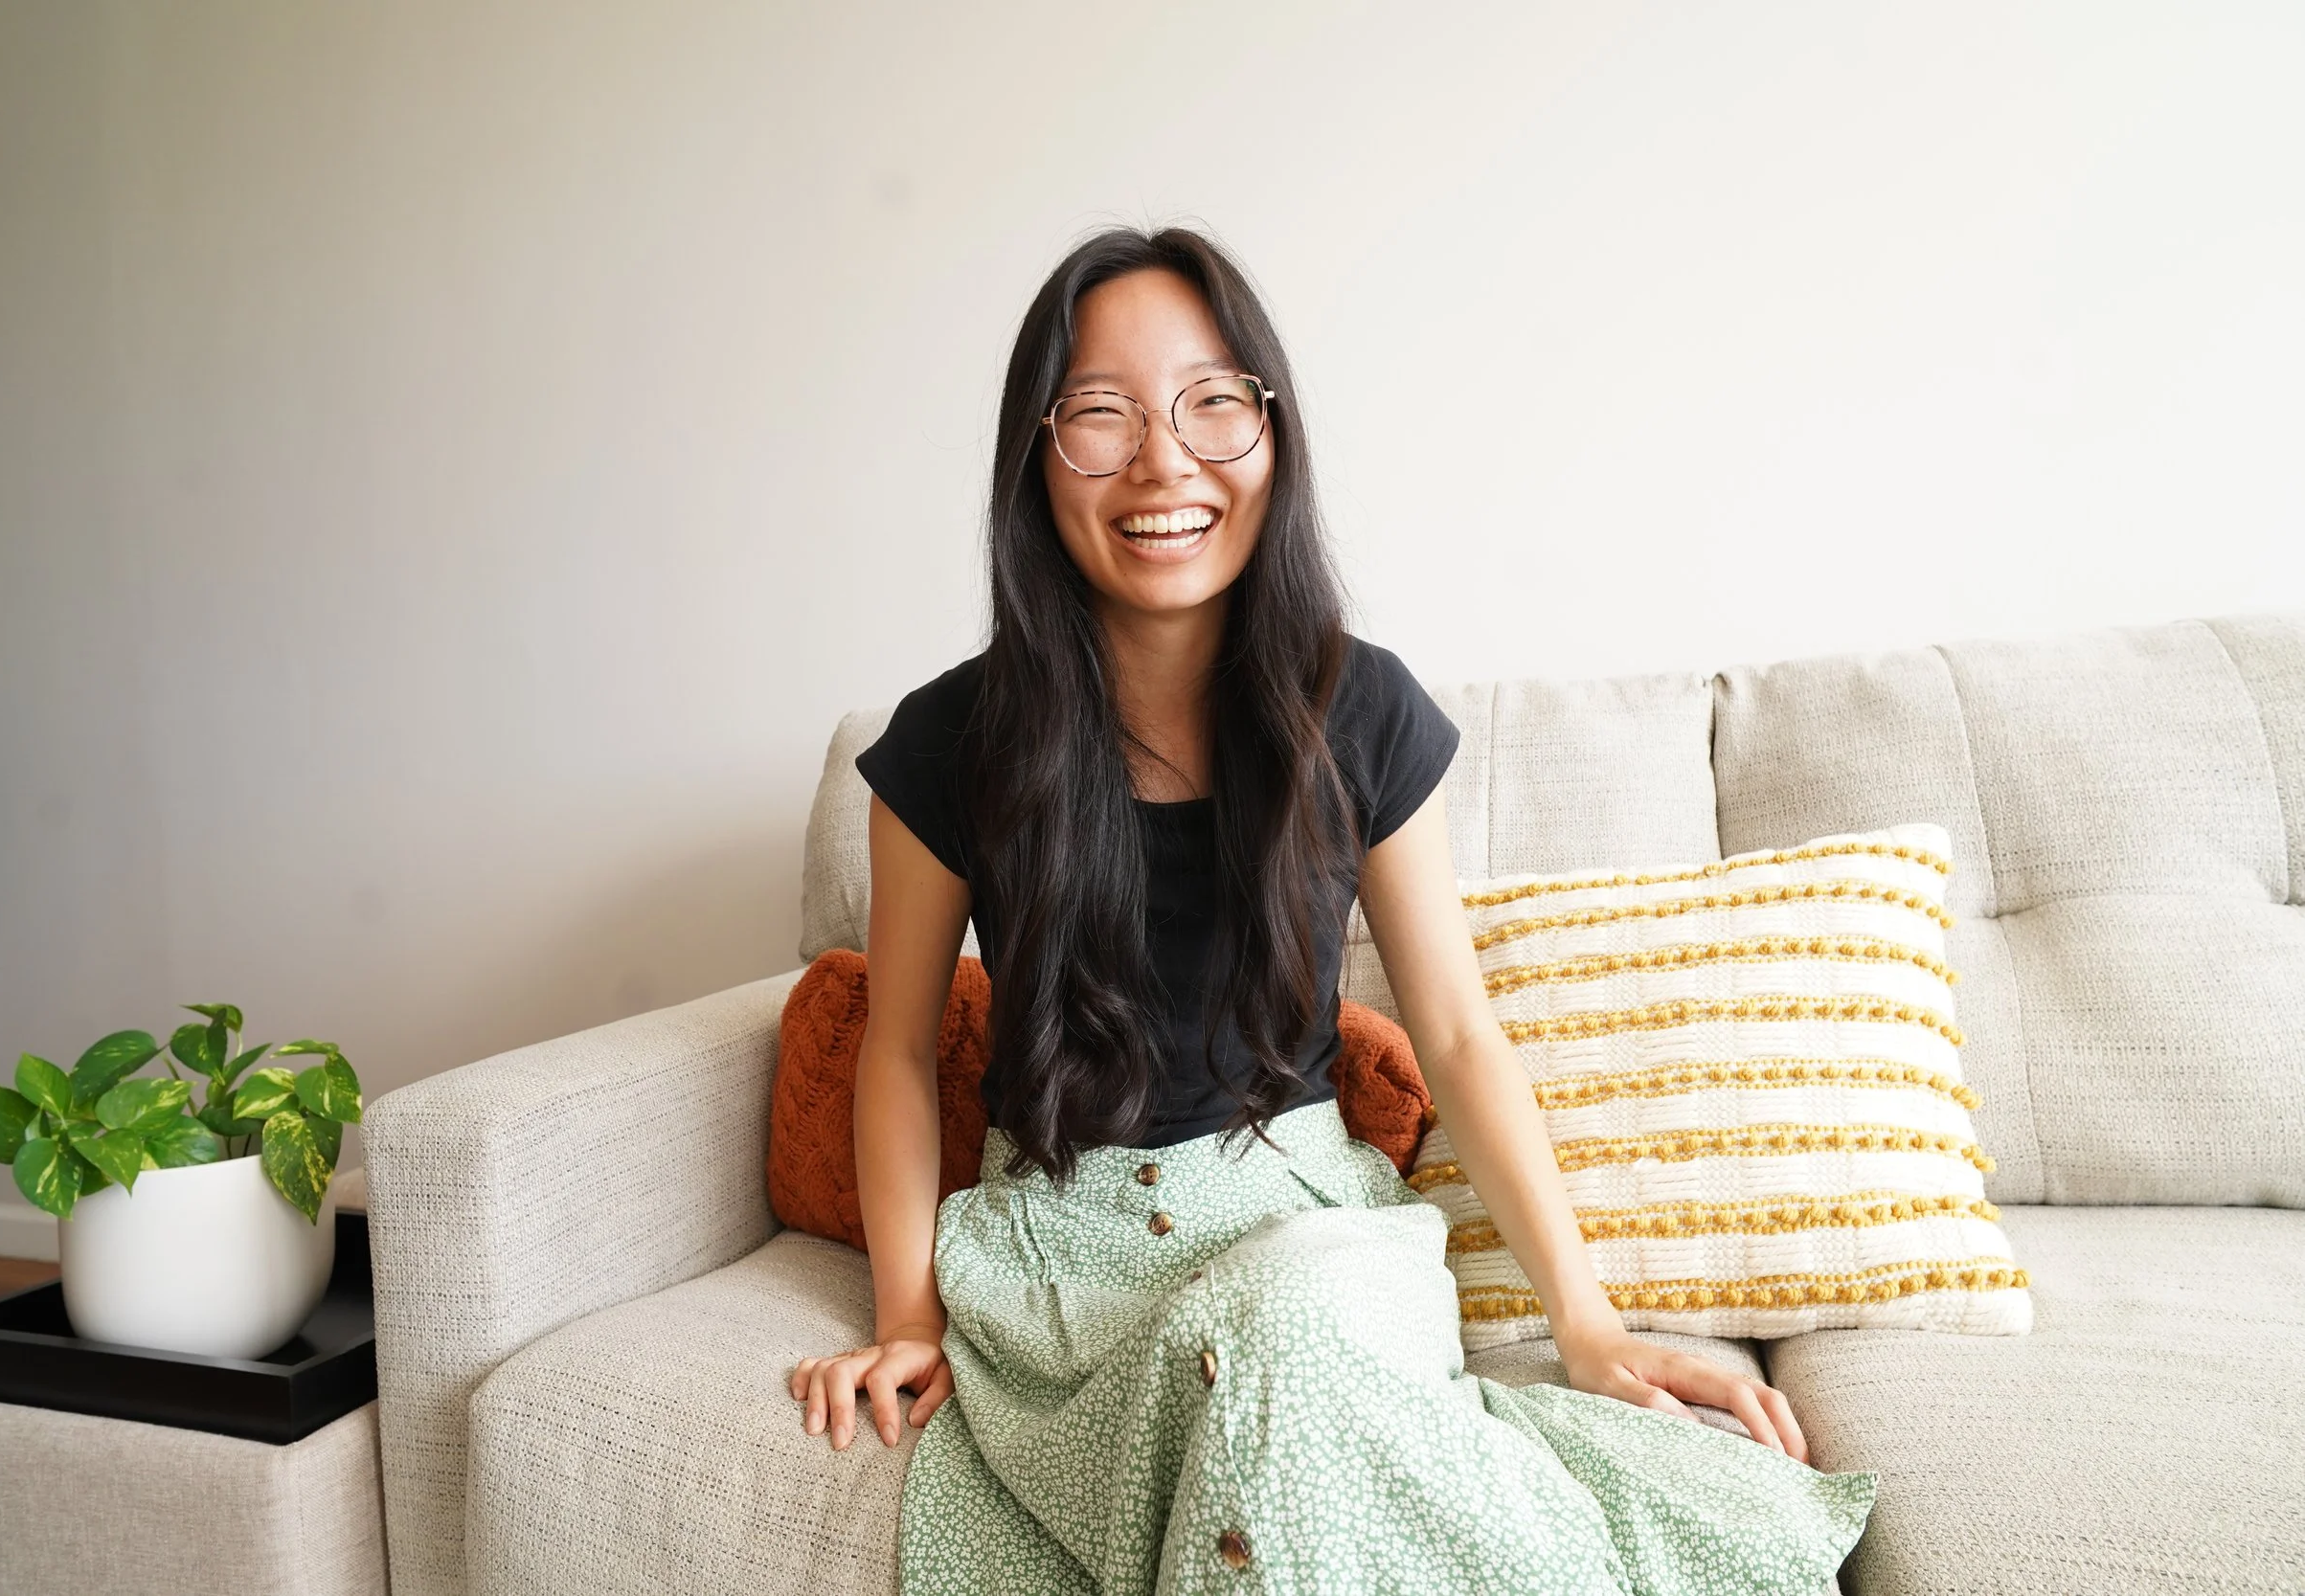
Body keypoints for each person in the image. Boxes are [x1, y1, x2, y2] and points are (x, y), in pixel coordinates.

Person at [791, 225, 1877, 1594]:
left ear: (1269, 429)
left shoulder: (1356, 707)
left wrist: (1584, 1323)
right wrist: (906, 1313)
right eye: (1102, 414)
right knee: (1259, 1395)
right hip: (1058, 1257)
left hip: (1308, 1228)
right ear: (1035, 455)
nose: (1164, 462)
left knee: (1281, 1337)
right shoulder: (949, 740)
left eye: (1210, 404)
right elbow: (894, 1050)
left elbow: (1463, 1041)